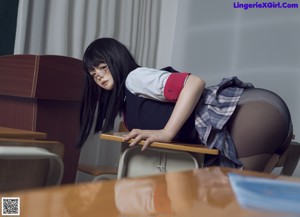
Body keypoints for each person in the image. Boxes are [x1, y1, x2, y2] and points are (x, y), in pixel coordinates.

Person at [77, 37, 292, 169]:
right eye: (94, 75)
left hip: (246, 117)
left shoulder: (136, 78)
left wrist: (166, 133)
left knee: (235, 201)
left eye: (103, 67)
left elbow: (195, 83)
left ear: (116, 59)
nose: (100, 76)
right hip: (260, 116)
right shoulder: (127, 99)